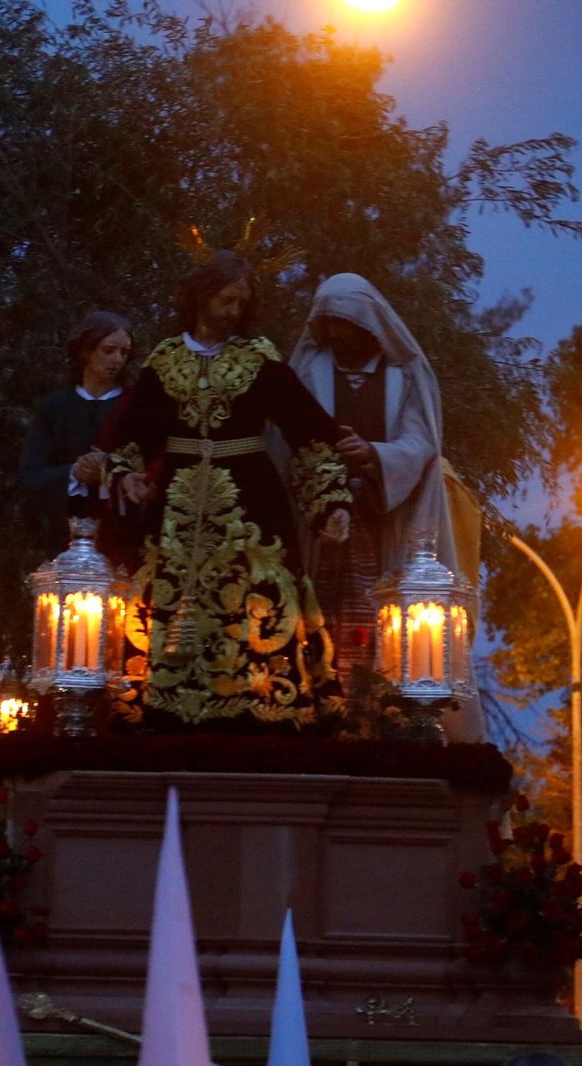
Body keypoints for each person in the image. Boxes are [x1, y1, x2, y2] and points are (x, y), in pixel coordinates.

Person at [98, 251, 352, 729]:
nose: (234, 310)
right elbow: (130, 435)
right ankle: (159, 702)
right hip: (174, 507)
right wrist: (126, 475)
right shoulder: (165, 359)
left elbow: (309, 432)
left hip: (250, 500)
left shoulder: (258, 357)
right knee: (161, 599)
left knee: (257, 594)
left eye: (242, 302)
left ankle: (263, 702)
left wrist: (330, 501)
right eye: (226, 299)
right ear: (200, 297)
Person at [288, 274, 483, 740]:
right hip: (321, 529)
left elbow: (422, 442)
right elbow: (287, 435)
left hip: (384, 523)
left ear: (368, 323)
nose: (336, 335)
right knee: (320, 624)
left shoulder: (405, 375)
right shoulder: (309, 370)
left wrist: (375, 455)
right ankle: (321, 712)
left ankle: (385, 713)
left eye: (345, 325)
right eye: (329, 324)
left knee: (386, 626)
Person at [18, 310, 137, 560]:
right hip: (64, 546)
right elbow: (31, 476)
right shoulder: (54, 408)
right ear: (85, 351)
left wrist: (110, 470)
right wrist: (74, 473)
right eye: (109, 350)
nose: (117, 360)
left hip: (124, 543)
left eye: (124, 353)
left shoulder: (135, 408)